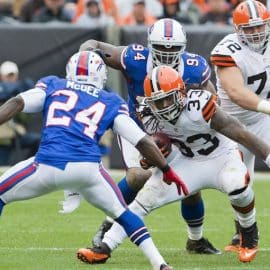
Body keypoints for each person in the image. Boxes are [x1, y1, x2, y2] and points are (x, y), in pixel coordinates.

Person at [0, 51, 189, 270]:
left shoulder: (53, 85)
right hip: (88, 170)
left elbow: (17, 102)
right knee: (123, 214)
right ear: (101, 75)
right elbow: (142, 141)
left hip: (49, 164)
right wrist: (166, 169)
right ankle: (160, 265)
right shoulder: (110, 100)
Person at [78, 65, 270, 264]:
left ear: (181, 93)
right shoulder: (148, 113)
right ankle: (105, 247)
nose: (164, 106)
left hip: (221, 157)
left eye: (168, 98)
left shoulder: (200, 104)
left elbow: (240, 132)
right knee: (144, 200)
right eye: (158, 102)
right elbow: (156, 145)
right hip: (186, 162)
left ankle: (249, 235)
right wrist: (150, 157)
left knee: (237, 184)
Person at [77, 18, 220, 257]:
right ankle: (108, 224)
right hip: (136, 126)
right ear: (149, 46)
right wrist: (85, 57)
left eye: (172, 49)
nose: (165, 54)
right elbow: (93, 44)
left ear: (182, 48)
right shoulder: (135, 58)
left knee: (190, 185)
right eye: (160, 48)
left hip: (174, 131)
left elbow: (212, 101)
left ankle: (195, 240)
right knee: (138, 176)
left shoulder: (194, 68)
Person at [210, 0, 270, 252]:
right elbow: (236, 92)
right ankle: (241, 236)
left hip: (262, 121)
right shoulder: (228, 49)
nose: (256, 33)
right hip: (232, 125)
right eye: (249, 28)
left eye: (260, 27)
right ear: (237, 29)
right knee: (240, 184)